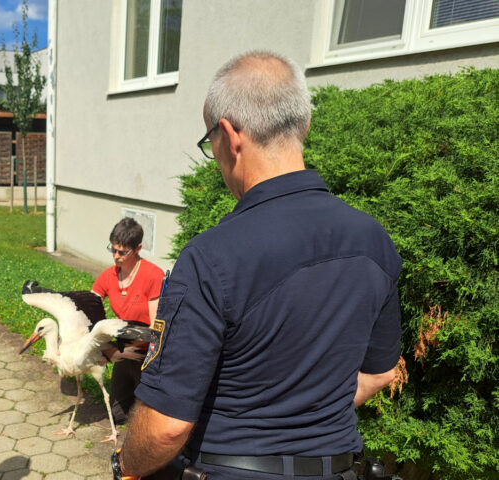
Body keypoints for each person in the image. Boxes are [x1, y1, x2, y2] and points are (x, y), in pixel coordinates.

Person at [113, 51, 401, 480]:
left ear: (230, 136)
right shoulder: (375, 240)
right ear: (302, 126)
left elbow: (164, 428)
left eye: (209, 142)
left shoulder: (212, 257)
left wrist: (127, 466)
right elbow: (379, 373)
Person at [92, 217, 165, 425]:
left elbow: (155, 327)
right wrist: (107, 350)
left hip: (147, 355)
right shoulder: (108, 276)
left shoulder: (153, 276)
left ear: (138, 248)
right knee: (117, 416)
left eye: (123, 252)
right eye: (113, 250)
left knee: (146, 421)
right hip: (124, 351)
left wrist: (124, 349)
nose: (116, 256)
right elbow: (89, 309)